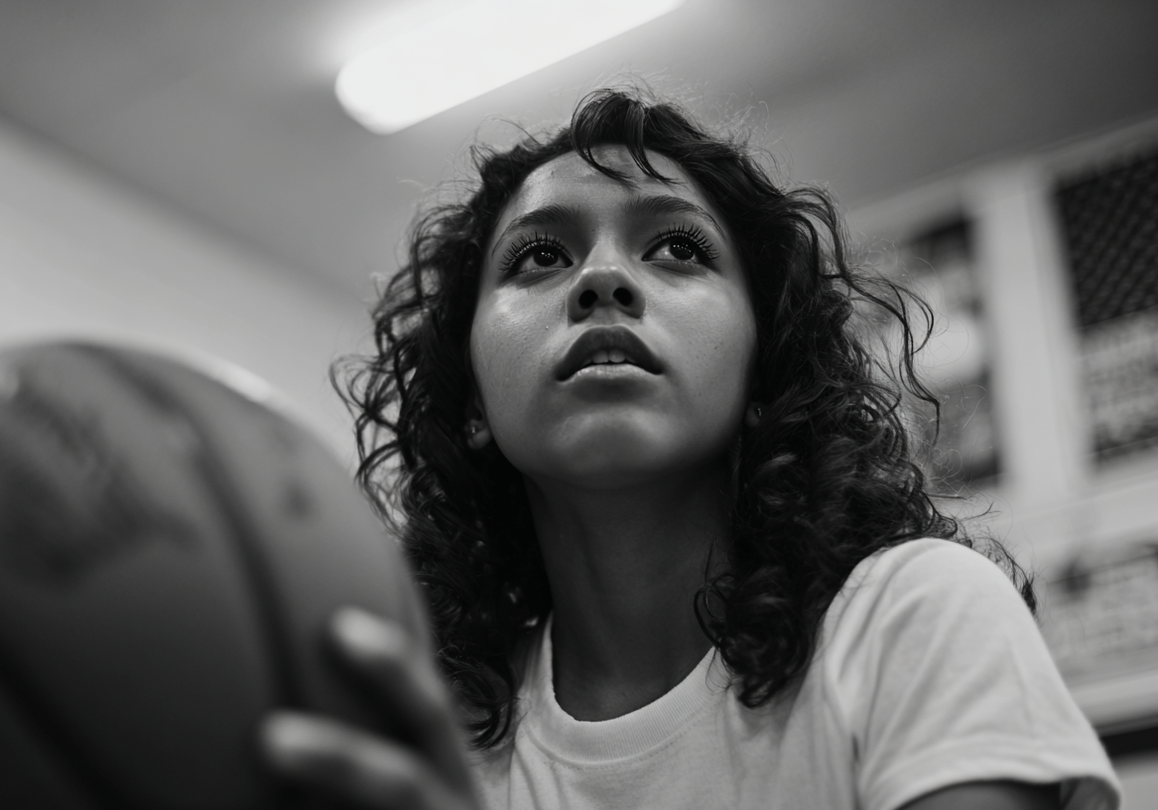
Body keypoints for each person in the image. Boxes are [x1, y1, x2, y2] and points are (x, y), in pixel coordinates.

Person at [261, 88, 1121, 809]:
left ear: (761, 372)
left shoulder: (910, 614)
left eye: (676, 248)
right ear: (473, 401)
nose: (604, 279)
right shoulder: (438, 737)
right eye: (539, 255)